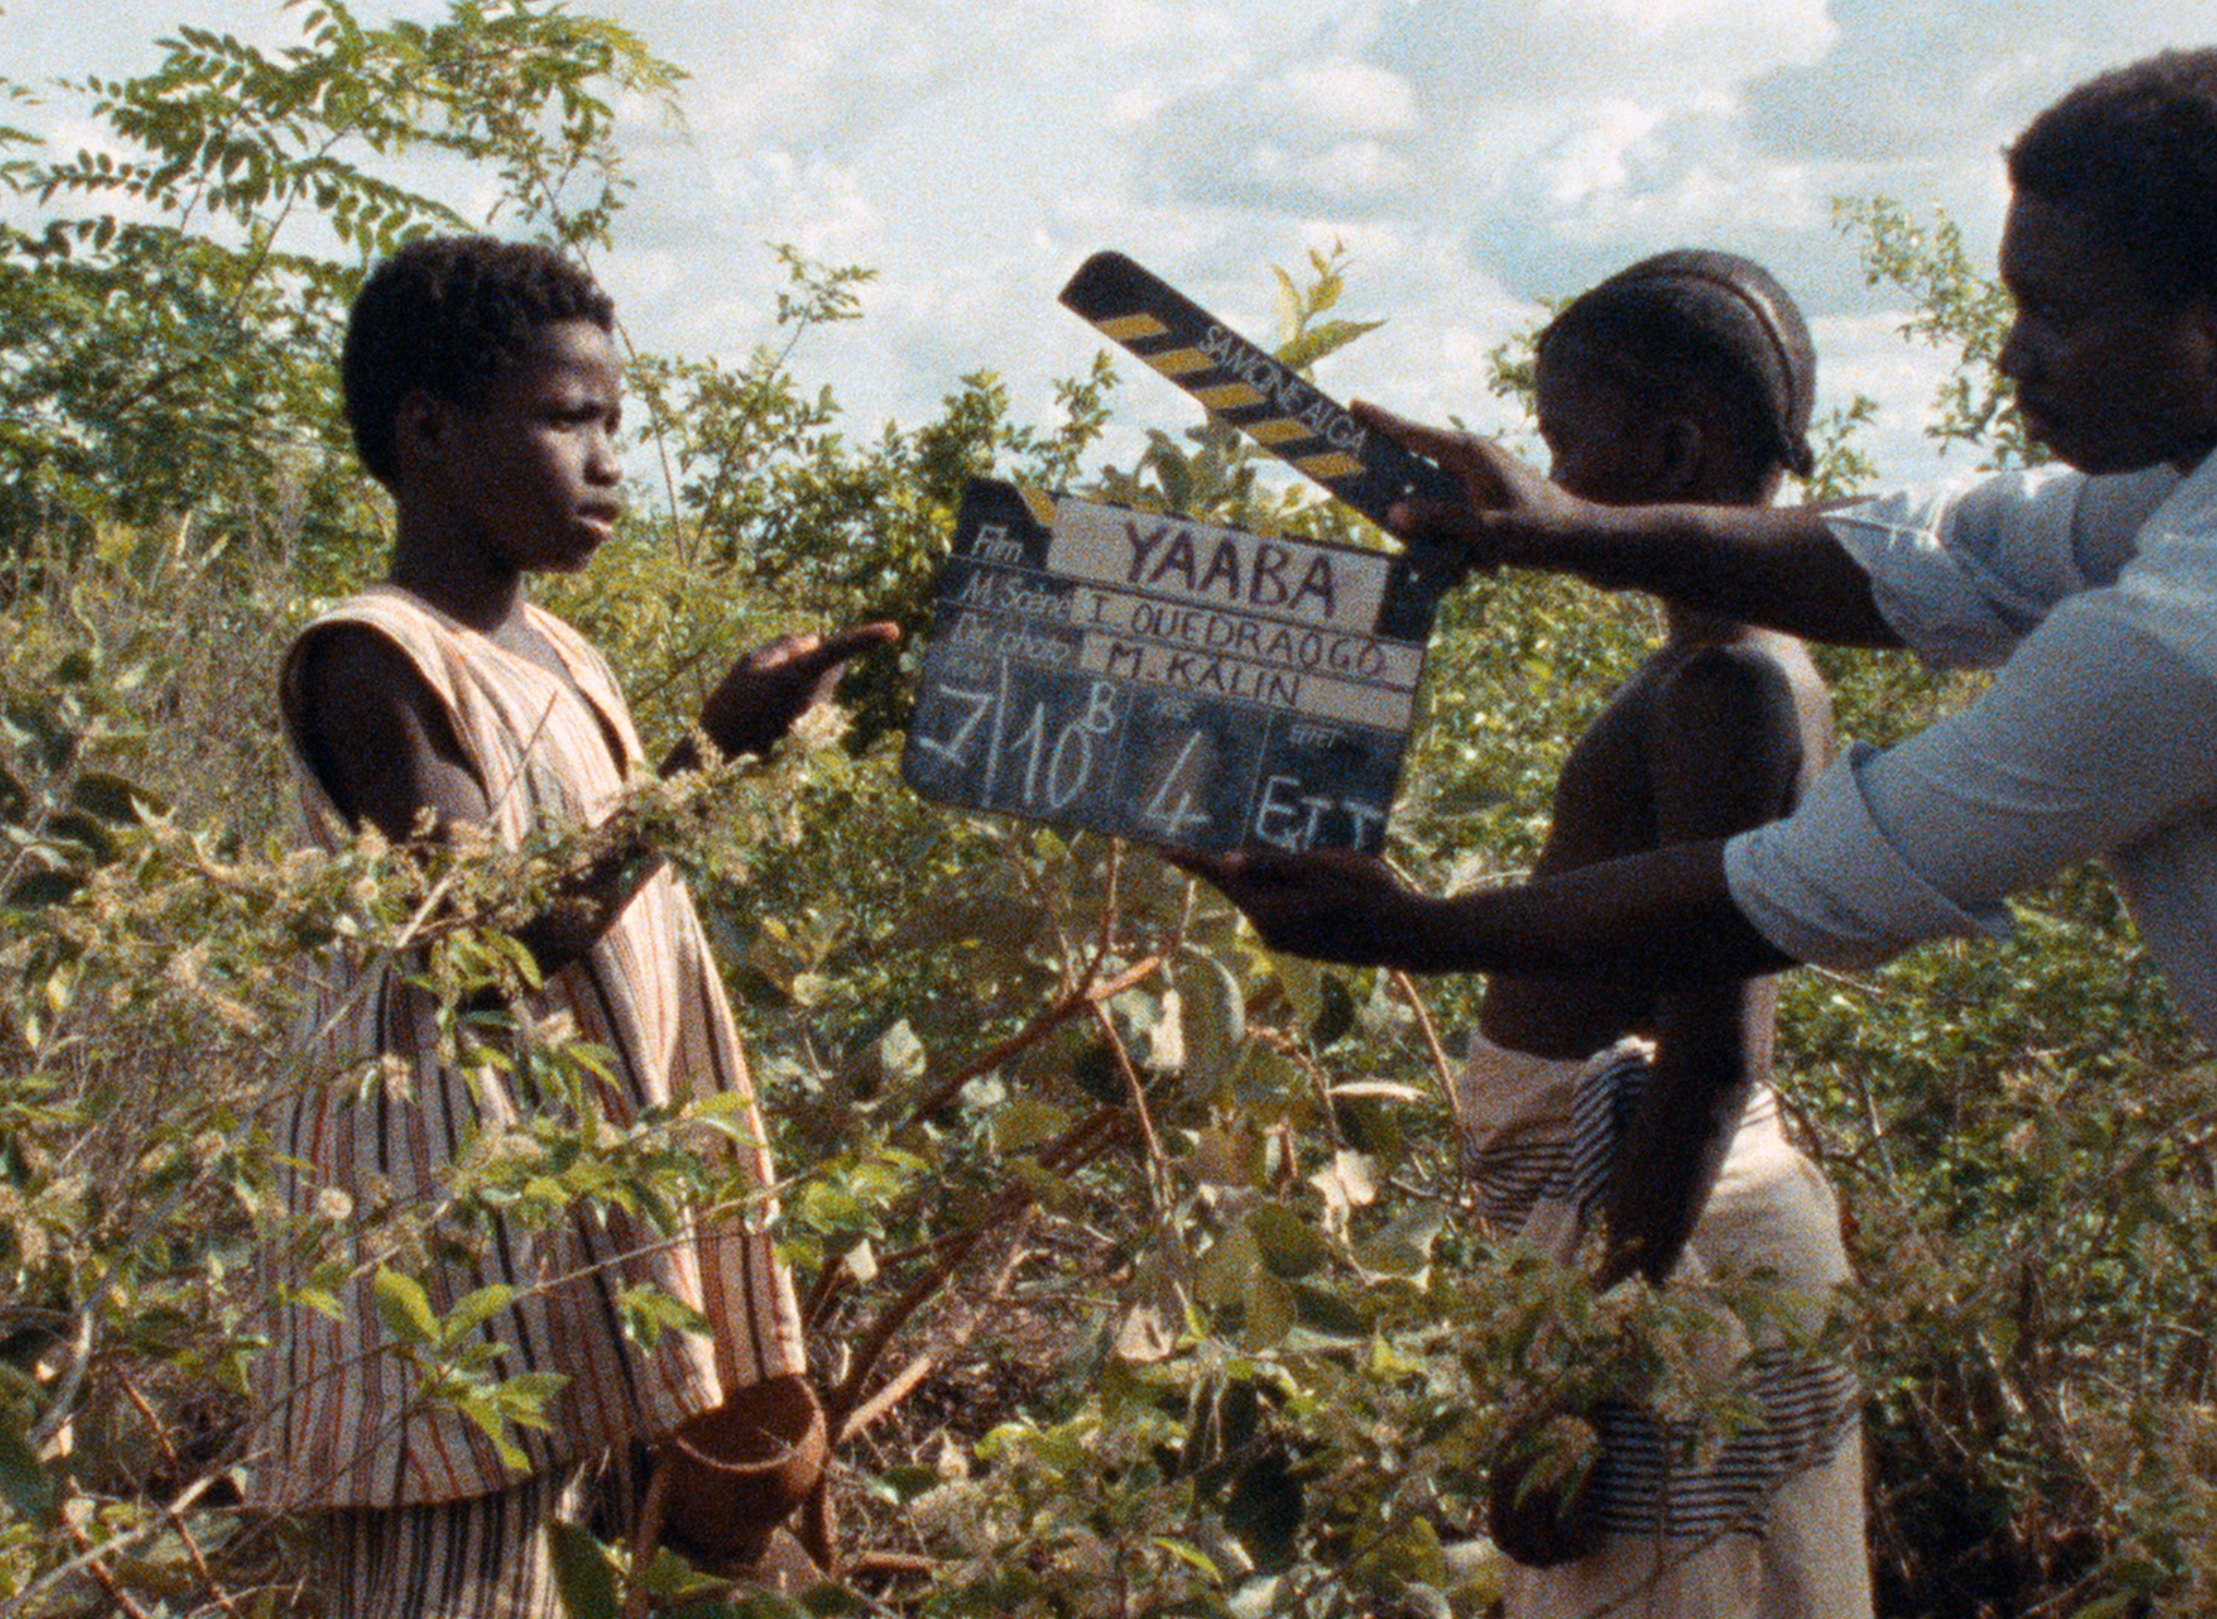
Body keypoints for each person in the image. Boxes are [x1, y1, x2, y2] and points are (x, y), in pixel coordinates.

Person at [1178, 46, 2217, 1055]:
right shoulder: (2168, 504)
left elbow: (1814, 888)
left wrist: (1413, 932)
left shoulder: (2182, 634)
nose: (2010, 357)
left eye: (2060, 314)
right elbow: (1954, 550)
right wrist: (1566, 530)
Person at [250, 235, 897, 1618]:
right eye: (566, 417)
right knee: (452, 1578)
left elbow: (609, 913)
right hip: (451, 1245)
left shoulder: (563, 654)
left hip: (574, 1239)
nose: (607, 458)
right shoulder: (374, 654)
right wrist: (706, 757)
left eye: (613, 420)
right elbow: (485, 946)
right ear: (429, 431)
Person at [1441, 251, 1870, 1616]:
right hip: (1660, 1237)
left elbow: (1710, 1056)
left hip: (1676, 1253)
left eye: (1567, 444)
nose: (1545, 474)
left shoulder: (1729, 679)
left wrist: (1580, 1388)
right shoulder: (1710, 659)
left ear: (1676, 444)